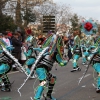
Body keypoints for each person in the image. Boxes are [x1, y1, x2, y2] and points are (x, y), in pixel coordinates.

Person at [24, 32, 68, 100]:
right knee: (43, 82)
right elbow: (61, 63)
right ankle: (37, 97)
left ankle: (48, 96)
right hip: (41, 69)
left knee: (52, 79)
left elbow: (39, 50)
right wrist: (66, 61)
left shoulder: (47, 50)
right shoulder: (54, 53)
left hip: (42, 69)